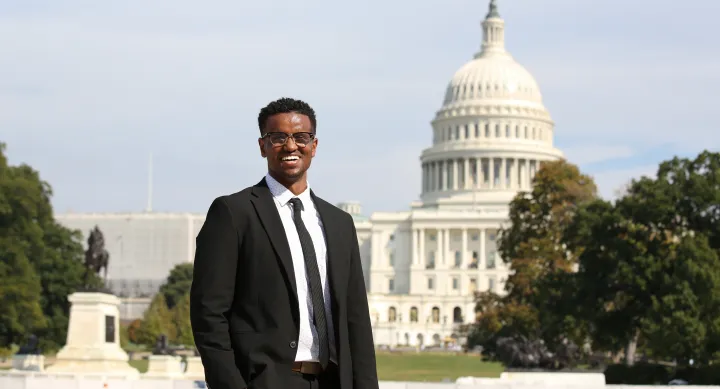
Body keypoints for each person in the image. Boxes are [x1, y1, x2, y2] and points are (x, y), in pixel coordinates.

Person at [190, 97, 379, 389]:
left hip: (332, 381)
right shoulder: (234, 213)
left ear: (314, 146)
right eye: (278, 137)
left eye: (301, 137)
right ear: (263, 146)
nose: (291, 146)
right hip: (266, 381)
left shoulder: (340, 223)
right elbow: (209, 314)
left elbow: (356, 321)